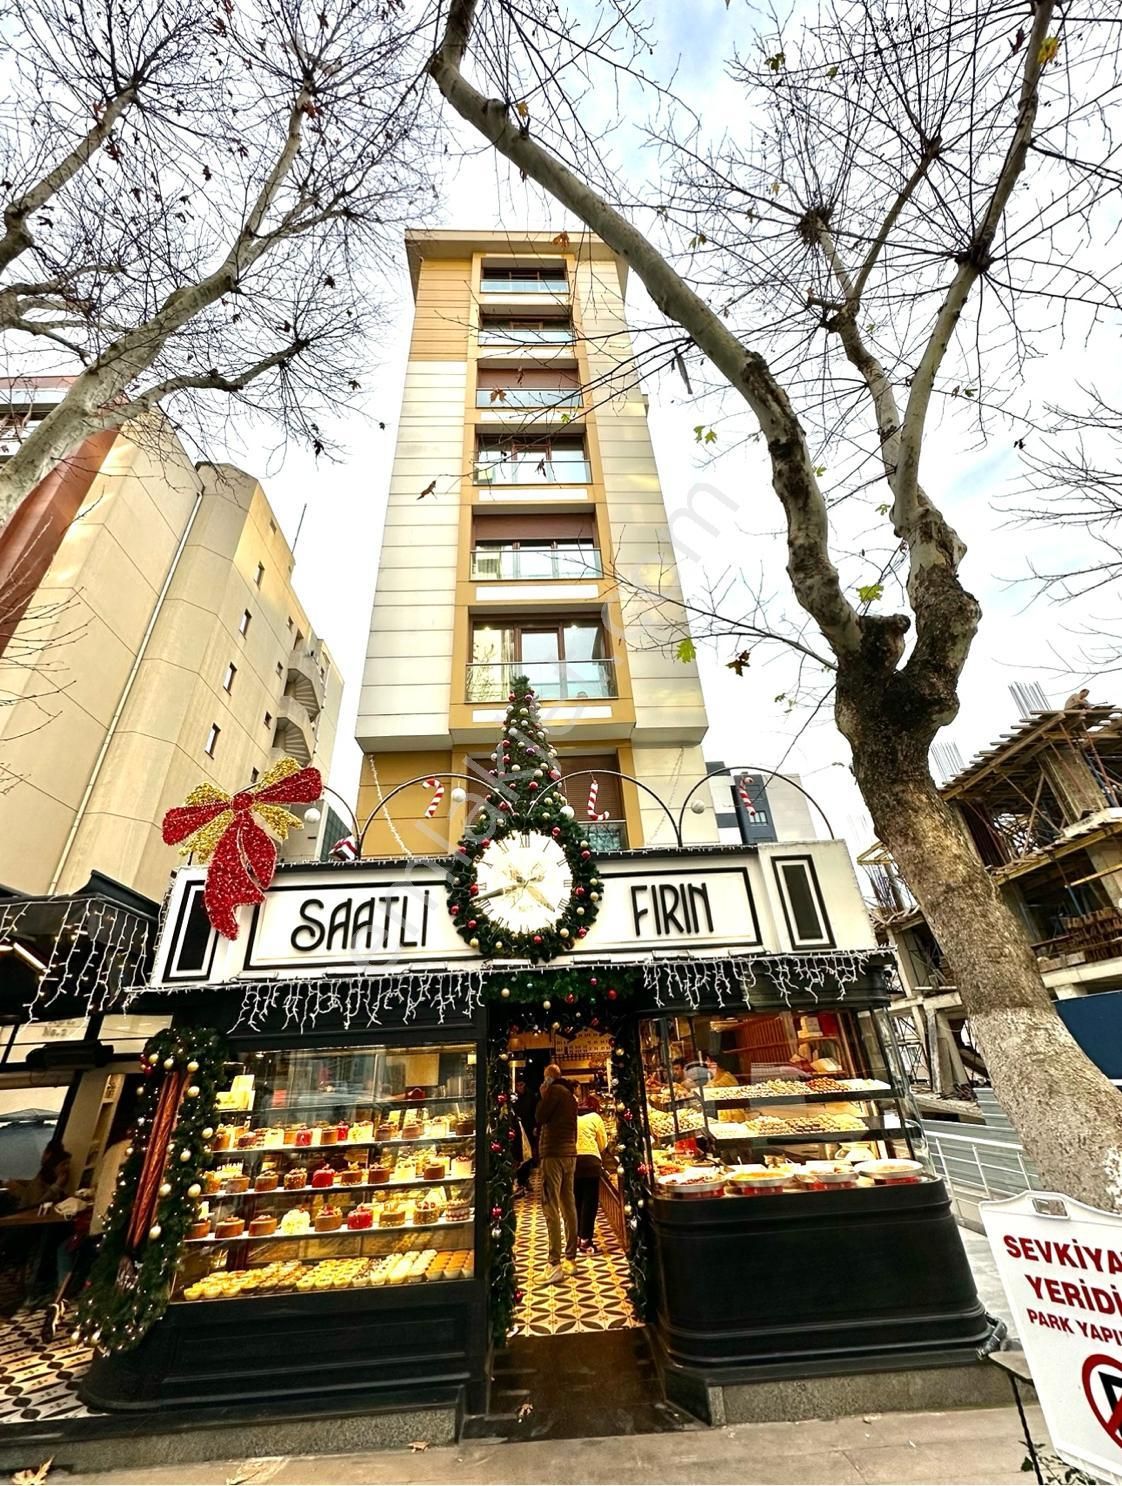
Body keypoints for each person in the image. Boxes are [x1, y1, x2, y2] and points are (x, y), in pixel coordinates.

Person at [536, 1063, 578, 1281]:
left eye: (545, 1078)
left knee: (550, 1206)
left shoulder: (553, 1092)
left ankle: (554, 1263)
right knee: (568, 1204)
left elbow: (540, 1117)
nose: (544, 1082)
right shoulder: (571, 1096)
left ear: (551, 1078)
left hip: (553, 1154)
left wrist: (544, 1095)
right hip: (570, 1154)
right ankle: (571, 1258)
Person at [574, 1090, 607, 1254]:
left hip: (572, 1162)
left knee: (576, 1201)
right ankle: (586, 1241)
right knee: (590, 1203)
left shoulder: (572, 1117)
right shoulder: (595, 1118)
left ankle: (578, 1237)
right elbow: (603, 1143)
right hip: (591, 1163)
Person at [513, 1076, 539, 1196]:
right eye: (518, 1085)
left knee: (528, 1154)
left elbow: (535, 1112)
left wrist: (535, 1126)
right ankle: (520, 1180)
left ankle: (525, 1178)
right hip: (517, 1129)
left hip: (528, 1128)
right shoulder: (514, 1097)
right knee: (519, 1154)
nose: (520, 1087)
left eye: (522, 1085)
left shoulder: (531, 1096)